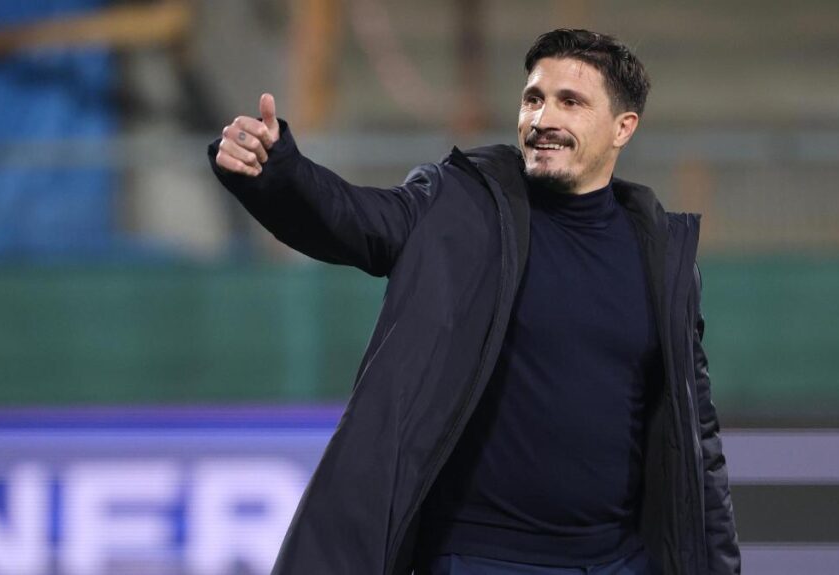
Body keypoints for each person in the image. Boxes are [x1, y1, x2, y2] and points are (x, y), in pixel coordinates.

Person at [209, 28, 739, 575]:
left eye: (571, 102)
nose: (543, 119)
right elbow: (356, 219)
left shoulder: (662, 256)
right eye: (533, 98)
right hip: (478, 559)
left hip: (619, 562)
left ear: (623, 127)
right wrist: (279, 173)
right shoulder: (460, 203)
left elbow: (696, 435)